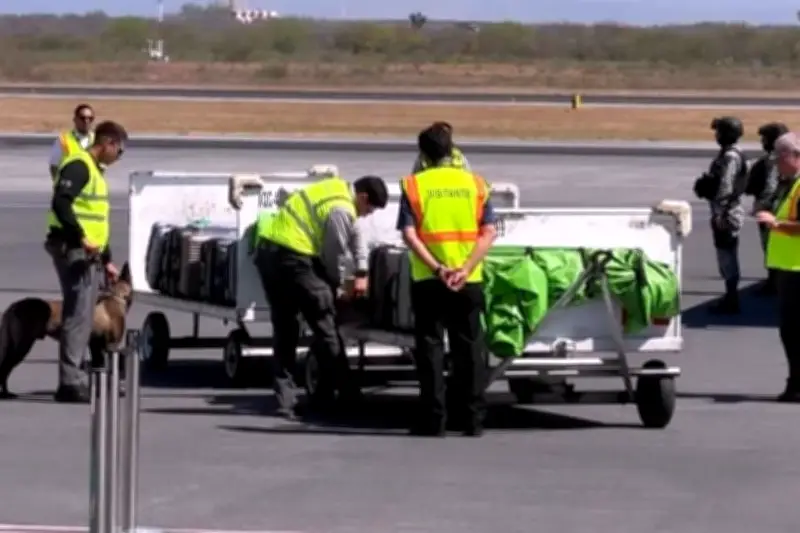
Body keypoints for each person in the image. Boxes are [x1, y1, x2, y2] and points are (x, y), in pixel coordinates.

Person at [254, 175, 389, 420]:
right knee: (324, 318)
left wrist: (361, 270)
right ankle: (348, 395)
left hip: (268, 251)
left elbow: (356, 232)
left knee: (286, 325)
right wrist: (337, 288)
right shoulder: (341, 210)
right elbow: (333, 256)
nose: (368, 214)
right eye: (370, 209)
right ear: (363, 197)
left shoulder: (337, 189)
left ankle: (287, 397)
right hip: (291, 257)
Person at [397, 125, 498, 437]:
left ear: (423, 154)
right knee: (469, 351)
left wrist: (439, 268)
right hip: (469, 280)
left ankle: (433, 420)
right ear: (452, 149)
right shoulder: (476, 184)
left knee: (430, 350)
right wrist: (465, 268)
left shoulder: (414, 185)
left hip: (429, 279)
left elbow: (409, 233)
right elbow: (490, 232)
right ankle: (472, 420)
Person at [45, 120, 127, 403]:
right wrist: (80, 237)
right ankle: (70, 382)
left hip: (88, 252)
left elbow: (96, 222)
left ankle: (74, 376)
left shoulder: (94, 172)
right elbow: (61, 202)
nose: (119, 158)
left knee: (80, 313)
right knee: (79, 314)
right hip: (72, 249)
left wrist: (106, 259)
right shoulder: (79, 166)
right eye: (120, 151)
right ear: (108, 143)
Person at [755, 132, 800, 402]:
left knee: (794, 331)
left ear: (795, 156)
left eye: (780, 157)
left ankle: (797, 385)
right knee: (791, 331)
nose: (776, 163)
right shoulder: (790, 184)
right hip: (790, 268)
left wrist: (776, 224)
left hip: (797, 269)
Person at [693, 116, 749, 314]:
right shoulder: (730, 154)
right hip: (727, 210)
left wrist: (721, 211)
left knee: (727, 255)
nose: (716, 135)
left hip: (727, 212)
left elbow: (726, 185)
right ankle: (730, 296)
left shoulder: (730, 157)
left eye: (719, 132)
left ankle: (731, 299)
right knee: (726, 254)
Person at [748, 122, 789, 294]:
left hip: (771, 210)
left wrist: (762, 206)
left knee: (769, 246)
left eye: (764, 138)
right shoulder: (785, 158)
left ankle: (774, 282)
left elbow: (770, 186)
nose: (762, 142)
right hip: (780, 207)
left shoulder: (773, 160)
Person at [49, 104, 95, 180]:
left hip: (92, 189)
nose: (86, 121)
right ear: (75, 119)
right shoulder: (63, 140)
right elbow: (54, 166)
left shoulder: (97, 140)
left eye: (90, 118)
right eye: (82, 118)